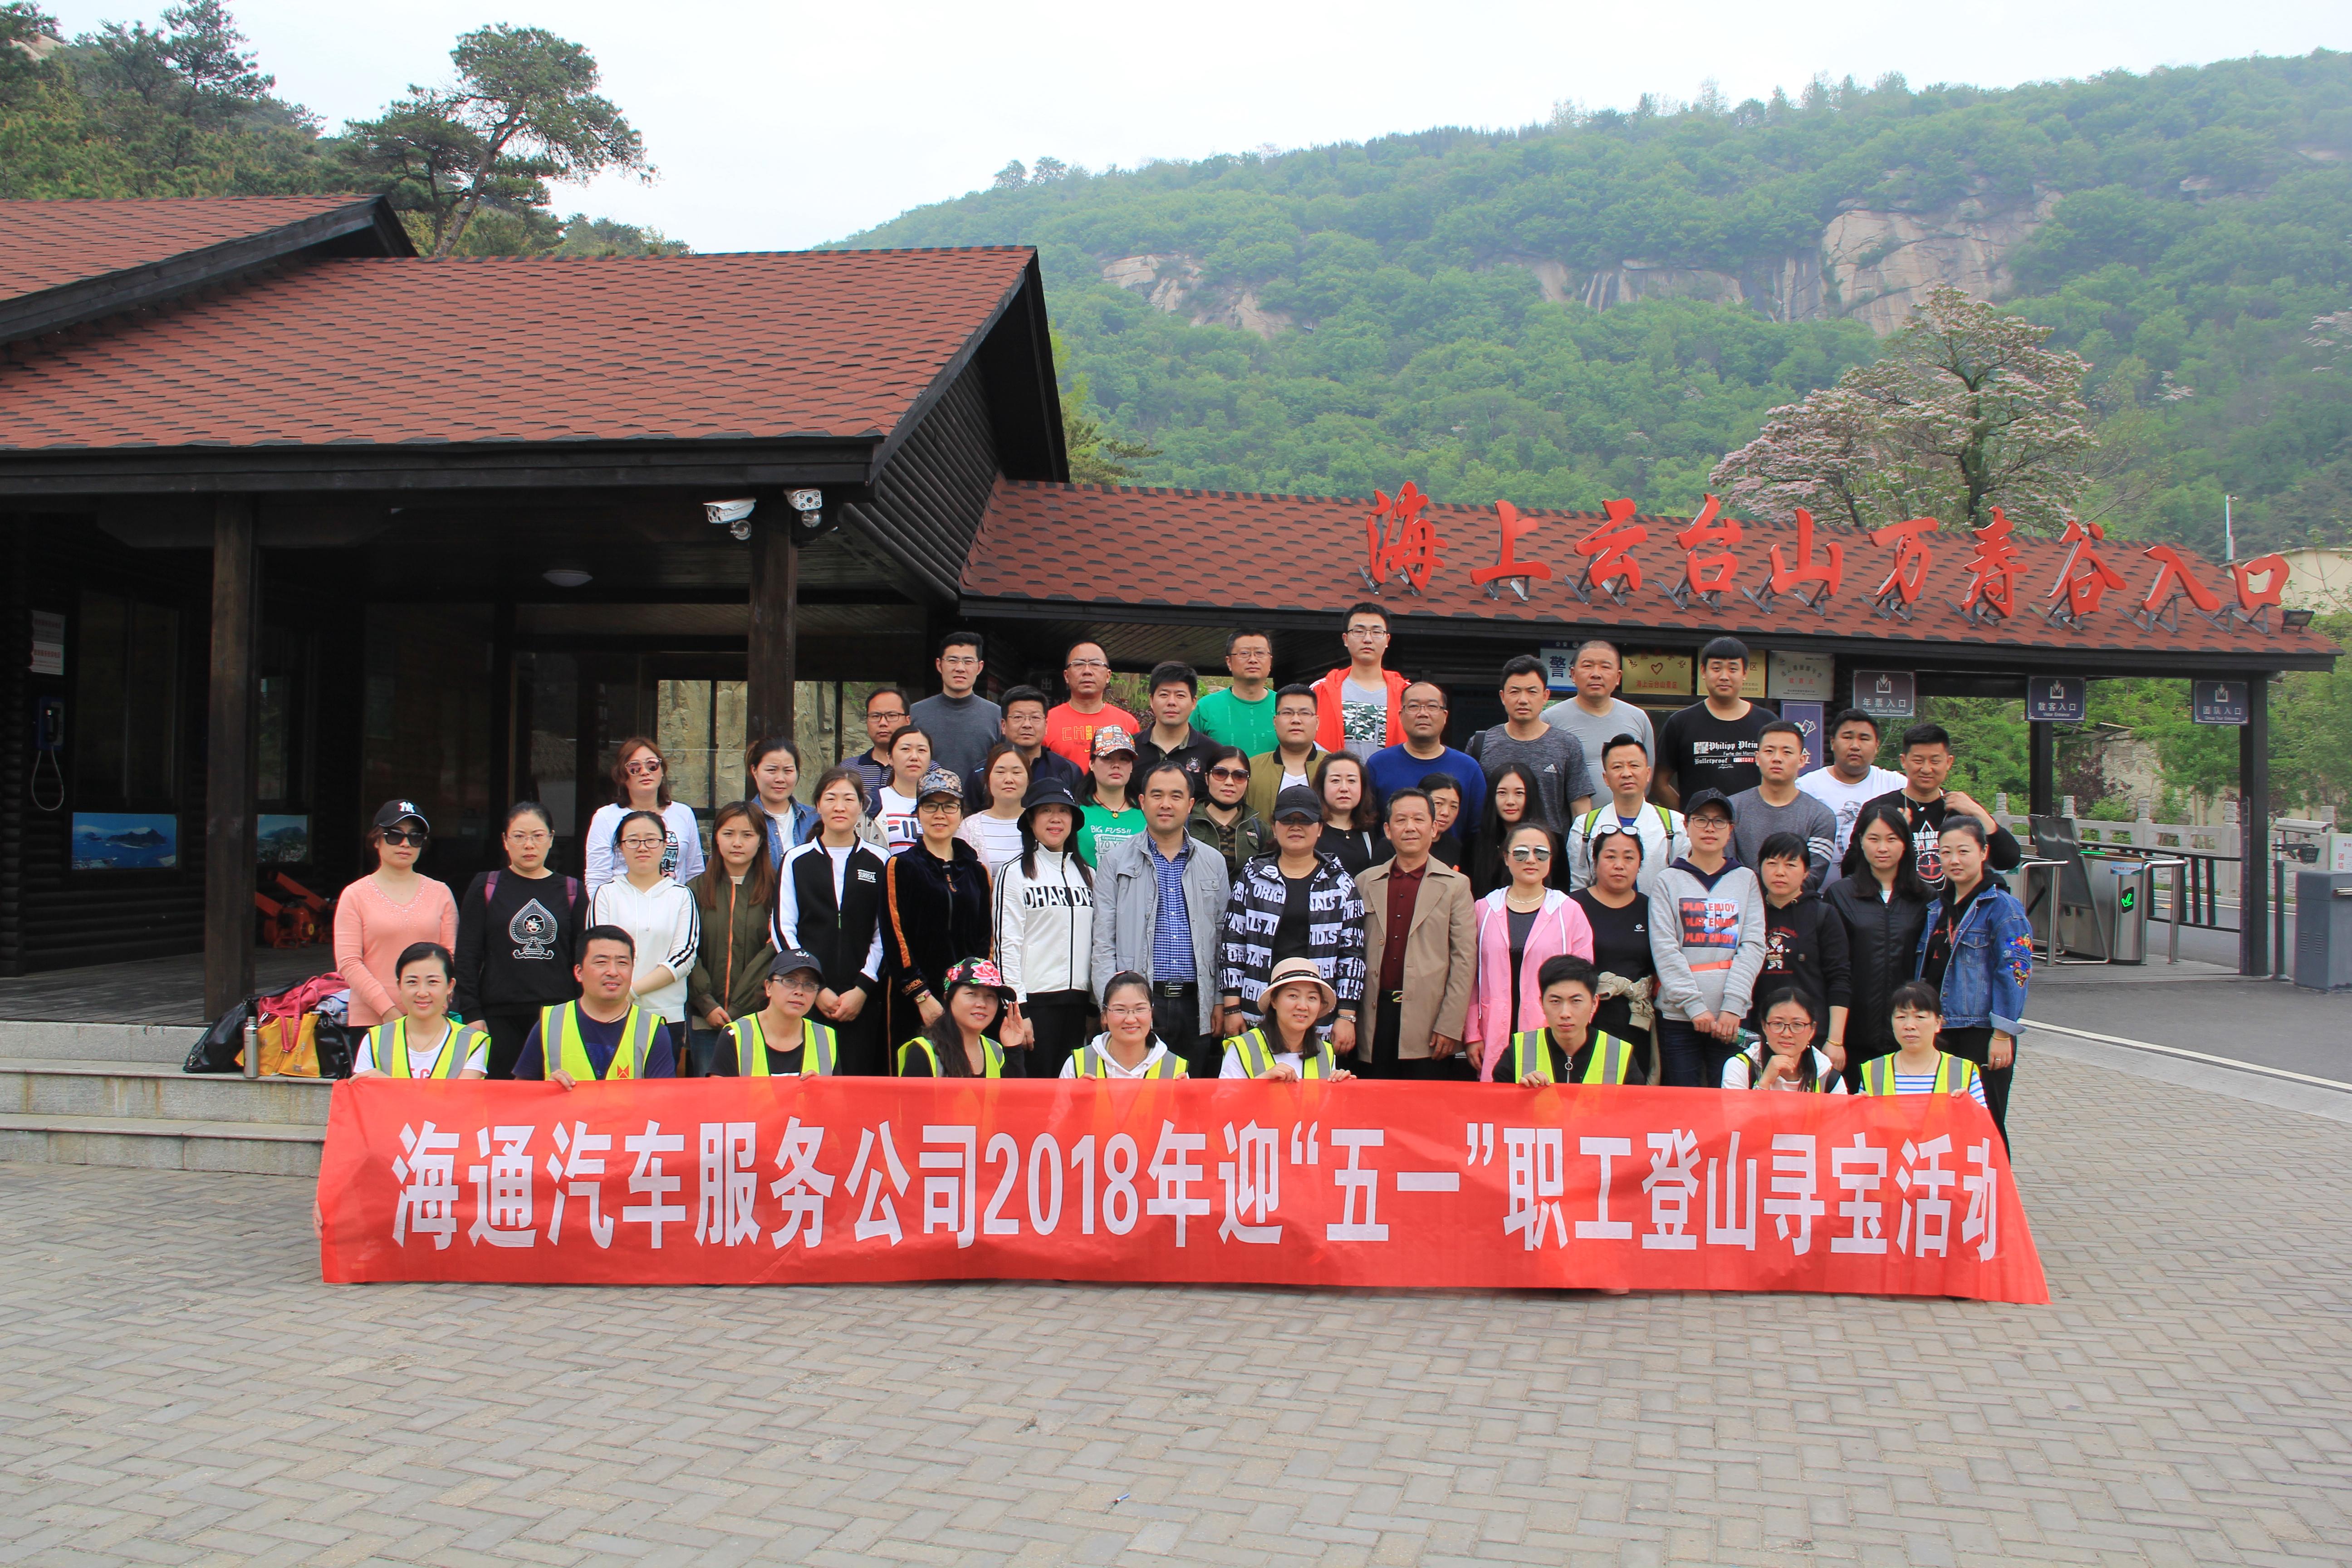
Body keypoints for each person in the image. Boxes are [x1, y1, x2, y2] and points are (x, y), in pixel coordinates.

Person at [1090, 760, 1231, 1076]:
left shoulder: (1213, 862)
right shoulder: (1116, 861)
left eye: (1176, 796)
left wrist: (1219, 1000)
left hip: (1196, 1003)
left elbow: (1223, 939)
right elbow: (1103, 941)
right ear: (1142, 802)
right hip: (1138, 1004)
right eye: (1157, 795)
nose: (1166, 804)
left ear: (1191, 804)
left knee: (1191, 1094)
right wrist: (1108, 1004)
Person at [1218, 786, 1367, 1044]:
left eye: (1305, 821)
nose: (1296, 827)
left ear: (1320, 829)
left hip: (1319, 1016)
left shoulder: (1341, 883)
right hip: (1258, 1010)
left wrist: (1347, 1015)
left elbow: (1352, 954)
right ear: (1274, 828)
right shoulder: (1253, 877)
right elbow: (1233, 943)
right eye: (1287, 820)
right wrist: (1232, 1007)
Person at [1916, 815, 2032, 1142]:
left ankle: (1997, 1179)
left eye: (1963, 851)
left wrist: (2003, 1032)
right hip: (1939, 1031)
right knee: (1943, 1128)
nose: (1954, 860)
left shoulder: (2003, 908)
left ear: (1983, 853)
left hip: (1980, 1031)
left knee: (1986, 1126)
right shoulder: (1936, 908)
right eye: (1946, 852)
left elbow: (2016, 971)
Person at [453, 802, 588, 1079]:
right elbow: (467, 955)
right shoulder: (486, 886)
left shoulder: (572, 890)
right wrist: (472, 1013)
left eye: (538, 836)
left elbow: (581, 959)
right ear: (505, 841)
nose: (529, 845)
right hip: (498, 1016)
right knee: (501, 1096)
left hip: (557, 1016)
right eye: (519, 836)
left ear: (551, 838)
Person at [1353, 788, 1476, 1079]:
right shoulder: (1365, 882)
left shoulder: (1456, 886)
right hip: (1373, 1016)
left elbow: (1464, 960)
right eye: (1401, 820)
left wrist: (1450, 1024)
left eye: (1419, 819)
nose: (1410, 827)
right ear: (1388, 830)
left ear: (1434, 829)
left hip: (1428, 1021)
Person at [1648, 789, 1766, 1088]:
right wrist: (1694, 1006)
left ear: (1731, 830)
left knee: (1729, 1100)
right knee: (1682, 1101)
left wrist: (1733, 1006)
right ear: (1686, 825)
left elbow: (1753, 946)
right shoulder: (1668, 880)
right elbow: (1664, 948)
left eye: (1719, 821)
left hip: (1731, 1018)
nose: (1710, 828)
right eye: (1701, 820)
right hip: (1678, 1016)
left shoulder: (1745, 879)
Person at [775, 767, 889, 1075]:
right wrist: (815, 986)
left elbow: (884, 933)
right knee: (810, 1082)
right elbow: (784, 929)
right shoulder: (796, 860)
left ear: (861, 806)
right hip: (807, 997)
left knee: (858, 1085)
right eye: (831, 798)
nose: (840, 807)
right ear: (817, 805)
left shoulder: (880, 860)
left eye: (849, 799)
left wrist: (863, 988)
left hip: (863, 1000)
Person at [1463, 822, 1595, 1080]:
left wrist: (1574, 1032)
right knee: (1495, 1098)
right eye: (1521, 852)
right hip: (1491, 1028)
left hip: (1551, 1029)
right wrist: (1472, 1034)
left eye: (1541, 853)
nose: (1531, 860)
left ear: (1551, 859)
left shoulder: (1569, 911)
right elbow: (1469, 978)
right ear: (1506, 857)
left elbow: (1583, 982)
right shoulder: (1483, 909)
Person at [882, 768, 993, 1058]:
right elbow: (895, 937)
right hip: (914, 998)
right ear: (918, 813)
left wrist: (974, 994)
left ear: (961, 812)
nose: (940, 815)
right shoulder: (901, 866)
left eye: (949, 806)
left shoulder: (977, 872)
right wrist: (920, 995)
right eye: (931, 806)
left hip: (966, 999)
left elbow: (985, 940)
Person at [1825, 799, 1932, 1091]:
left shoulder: (1925, 898)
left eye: (1892, 839)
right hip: (1853, 1033)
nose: (1882, 848)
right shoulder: (1840, 895)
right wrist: (1835, 1037)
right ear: (1860, 841)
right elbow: (1834, 966)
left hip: (1908, 1034)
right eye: (1874, 839)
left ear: (1905, 844)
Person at [992, 779, 1095, 1080]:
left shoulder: (1089, 875)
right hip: (1035, 1006)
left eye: (1064, 811)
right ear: (1031, 820)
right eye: (1046, 811)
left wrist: (1093, 1008)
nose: (1056, 819)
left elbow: (1098, 943)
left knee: (1073, 1095)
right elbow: (1006, 946)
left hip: (1079, 1008)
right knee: (1036, 1095)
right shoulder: (1014, 873)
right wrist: (1018, 1011)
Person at [333, 799, 459, 1031]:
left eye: (415, 837)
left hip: (430, 1017)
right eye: (394, 835)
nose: (405, 844)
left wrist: (436, 1006)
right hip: (372, 1019)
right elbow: (349, 962)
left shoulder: (441, 893)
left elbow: (448, 956)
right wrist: (388, 1011)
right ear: (376, 840)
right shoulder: (355, 895)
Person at [589, 808, 701, 1063]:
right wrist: (620, 996)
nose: (642, 848)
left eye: (651, 840)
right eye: (633, 841)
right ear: (620, 847)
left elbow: (684, 957)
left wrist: (631, 992)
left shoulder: (681, 895)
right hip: (611, 1013)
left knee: (660, 1086)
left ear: (664, 846)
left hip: (666, 1015)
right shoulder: (606, 894)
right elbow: (598, 954)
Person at [1863, 721, 2024, 897]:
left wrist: (1979, 813)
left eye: (1935, 761)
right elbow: (1853, 866)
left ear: (1949, 762)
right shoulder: (1881, 809)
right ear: (1904, 761)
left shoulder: (1964, 808)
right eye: (1918, 761)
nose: (1926, 769)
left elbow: (2008, 860)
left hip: (1955, 907)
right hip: (1901, 907)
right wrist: (1892, 832)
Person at [512, 925, 676, 1083]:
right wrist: (547, 1089)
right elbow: (522, 1091)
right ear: (579, 972)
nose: (613, 972)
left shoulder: (652, 1030)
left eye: (622, 963)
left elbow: (662, 1097)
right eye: (601, 962)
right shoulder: (551, 1023)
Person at [685, 801, 779, 1076]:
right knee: (710, 1095)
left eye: (747, 835)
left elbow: (773, 951)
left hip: (758, 1016)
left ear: (761, 840)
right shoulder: (695, 889)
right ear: (716, 838)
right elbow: (686, 950)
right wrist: (706, 1003)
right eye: (728, 834)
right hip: (705, 1018)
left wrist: (740, 1007)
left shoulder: (777, 889)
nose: (737, 843)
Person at [1745, 831, 1851, 1069]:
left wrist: (1835, 1040)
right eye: (1772, 863)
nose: (1780, 872)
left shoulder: (1823, 915)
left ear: (1806, 872)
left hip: (1811, 1036)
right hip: (1758, 1036)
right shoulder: (1750, 911)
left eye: (1790, 865)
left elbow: (1840, 979)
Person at [1569, 824, 1660, 1079]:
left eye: (1629, 858)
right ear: (1595, 861)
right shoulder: (1572, 906)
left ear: (1640, 865)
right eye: (1611, 857)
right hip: (1587, 1020)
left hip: (1636, 1021)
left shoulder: (1651, 908)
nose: (1620, 865)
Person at [1468, 655, 1593, 834]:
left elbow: (1580, 809)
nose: (1523, 700)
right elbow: (1471, 805)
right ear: (1503, 697)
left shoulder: (1567, 745)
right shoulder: (1480, 744)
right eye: (1515, 692)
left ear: (1545, 696)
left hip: (1550, 849)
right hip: (1493, 848)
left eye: (1532, 692)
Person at [1489, 954, 1641, 1085]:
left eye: (1576, 1001)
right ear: (1542, 1003)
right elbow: (1499, 1107)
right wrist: (1520, 1094)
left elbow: (1636, 1107)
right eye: (1555, 1001)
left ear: (1594, 1003)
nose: (1565, 1013)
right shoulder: (1518, 1051)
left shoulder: (1620, 1054)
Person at [1655, 637, 1772, 805]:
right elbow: (1659, 782)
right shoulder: (1680, 723)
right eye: (1716, 668)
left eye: (1733, 669)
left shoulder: (1767, 722)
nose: (1724, 676)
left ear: (1745, 673)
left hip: (1754, 821)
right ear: (1703, 671)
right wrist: (1686, 815)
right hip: (1701, 822)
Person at [1566, 735, 1686, 895]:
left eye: (1634, 766)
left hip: (1658, 909)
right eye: (1617, 767)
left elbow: (1682, 885)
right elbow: (1579, 885)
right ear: (1606, 778)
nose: (1627, 773)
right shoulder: (1585, 826)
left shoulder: (1675, 824)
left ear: (1648, 774)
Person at [350, 942, 489, 1079]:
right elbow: (362, 1091)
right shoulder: (374, 1039)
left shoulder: (472, 1042)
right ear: (400, 986)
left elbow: (461, 1094)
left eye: (433, 982)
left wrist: (387, 1084)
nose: (422, 993)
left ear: (450, 986)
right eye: (412, 982)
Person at [583, 737, 704, 892]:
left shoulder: (683, 813)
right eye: (635, 768)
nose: (645, 772)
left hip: (674, 903)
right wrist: (601, 906)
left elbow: (695, 872)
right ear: (622, 775)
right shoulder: (605, 817)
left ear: (662, 771)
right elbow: (597, 877)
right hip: (622, 904)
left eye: (652, 766)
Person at [1731, 720, 1839, 891]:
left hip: (1797, 904)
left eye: (1787, 752)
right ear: (1757, 758)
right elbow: (1726, 867)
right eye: (1769, 751)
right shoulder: (1732, 808)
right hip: (1742, 901)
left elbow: (1813, 876)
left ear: (1802, 760)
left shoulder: (1821, 816)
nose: (1777, 758)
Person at [1366, 680, 1484, 835]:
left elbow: (1478, 830)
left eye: (1432, 706)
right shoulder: (1378, 765)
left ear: (1445, 716)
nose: (1423, 713)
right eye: (1414, 706)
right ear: (1401, 716)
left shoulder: (1468, 768)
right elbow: (1367, 825)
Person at [1219, 957, 1358, 1080]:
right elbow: (1224, 1100)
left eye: (1312, 998)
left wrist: (1340, 1090)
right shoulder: (1242, 1047)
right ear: (1274, 1001)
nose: (1303, 1006)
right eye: (1293, 996)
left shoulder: (1326, 1052)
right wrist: (1261, 1082)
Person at [1542, 639, 1656, 788]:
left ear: (1618, 677)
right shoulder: (1549, 719)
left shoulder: (1638, 717)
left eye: (1605, 667)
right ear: (1573, 674)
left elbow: (1648, 777)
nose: (1596, 674)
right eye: (1588, 666)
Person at [1798, 708, 1908, 859]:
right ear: (1833, 743)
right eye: (1848, 737)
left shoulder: (1897, 785)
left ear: (1877, 746)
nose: (1855, 746)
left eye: (1864, 739)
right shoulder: (1806, 787)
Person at [1855, 980, 1989, 1103]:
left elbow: (1982, 1121)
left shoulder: (1963, 1072)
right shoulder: (1873, 1071)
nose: (1909, 1025)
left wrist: (1969, 1107)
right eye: (1901, 1017)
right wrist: (1858, 1108)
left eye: (1920, 1017)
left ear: (1938, 1023)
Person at [717, 949, 841, 1076]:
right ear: (769, 987)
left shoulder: (825, 1038)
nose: (799, 991)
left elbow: (838, 1089)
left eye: (809, 985)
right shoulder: (736, 1034)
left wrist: (821, 1087)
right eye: (790, 981)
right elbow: (718, 1088)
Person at [897, 956, 1021, 1077]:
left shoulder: (996, 1051)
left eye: (990, 996)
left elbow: (1014, 1091)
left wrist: (1014, 1049)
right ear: (948, 998)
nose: (982, 1004)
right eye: (971, 993)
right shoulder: (923, 1052)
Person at [1313, 601, 1408, 752]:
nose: (1368, 639)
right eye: (1359, 631)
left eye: (1376, 632)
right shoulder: (1320, 690)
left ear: (1387, 640)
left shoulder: (1407, 694)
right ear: (1345, 639)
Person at [965, 683, 1082, 804]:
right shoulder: (982, 772)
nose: (1027, 725)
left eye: (1035, 718)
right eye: (1018, 717)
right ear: (1004, 726)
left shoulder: (1066, 770)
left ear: (1046, 726)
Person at [909, 629, 1002, 780]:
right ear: (939, 665)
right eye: (952, 660)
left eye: (968, 661)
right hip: (925, 795)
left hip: (980, 797)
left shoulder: (997, 715)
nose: (960, 668)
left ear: (980, 667)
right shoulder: (916, 713)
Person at [1063, 971, 1190, 1078]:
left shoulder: (1175, 1069)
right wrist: (1077, 1097)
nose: (1130, 1019)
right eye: (1120, 1010)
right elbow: (1060, 1102)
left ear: (1152, 1013)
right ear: (1104, 1015)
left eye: (1140, 1009)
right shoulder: (1077, 1065)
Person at [1723, 988, 1847, 1093]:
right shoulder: (1740, 1066)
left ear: (1812, 1030)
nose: (1787, 1034)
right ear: (1764, 1026)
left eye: (1797, 1025)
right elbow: (1735, 1114)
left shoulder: (1827, 1075)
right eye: (1778, 1024)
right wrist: (1764, 1083)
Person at [1469, 763, 1562, 897]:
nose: (1510, 801)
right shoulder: (1474, 843)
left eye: (1519, 793)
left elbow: (1562, 891)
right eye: (1502, 793)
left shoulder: (1553, 841)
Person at [1045, 640, 1138, 767]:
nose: (1087, 671)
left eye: (1095, 664)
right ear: (1066, 676)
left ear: (1108, 676)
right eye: (1079, 664)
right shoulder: (1047, 722)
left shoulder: (1128, 723)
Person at [1134, 661, 1221, 794]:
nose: (1172, 702)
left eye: (1180, 696)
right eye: (1164, 695)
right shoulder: (1131, 749)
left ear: (1194, 703)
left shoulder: (1214, 753)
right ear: (1151, 700)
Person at [1245, 684, 1327, 821]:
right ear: (1275, 721)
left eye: (1305, 713)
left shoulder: (1334, 768)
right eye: (1287, 713)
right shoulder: (1251, 769)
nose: (1296, 720)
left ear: (1317, 722)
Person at [1193, 628, 1278, 755]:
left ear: (1270, 661)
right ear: (1229, 662)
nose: (1253, 660)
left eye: (1260, 653)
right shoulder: (1206, 707)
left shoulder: (1285, 706)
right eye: (1244, 653)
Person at [1187, 746, 1268, 878]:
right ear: (1207, 778)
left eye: (1240, 776)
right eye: (1220, 773)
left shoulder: (1260, 830)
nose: (1229, 782)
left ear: (1247, 782)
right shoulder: (1185, 826)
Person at [955, 741, 1031, 870]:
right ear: (988, 780)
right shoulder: (969, 827)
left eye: (1017, 773)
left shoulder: (1038, 823)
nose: (1009, 779)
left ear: (1028, 780)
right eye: (1000, 772)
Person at [746, 735, 818, 866]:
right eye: (772, 770)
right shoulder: (741, 820)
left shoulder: (815, 819)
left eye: (788, 771)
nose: (780, 779)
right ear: (755, 770)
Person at [1314, 750, 1388, 877]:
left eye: (1352, 781)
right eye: (1336, 781)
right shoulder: (1312, 829)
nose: (1344, 788)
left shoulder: (1368, 830)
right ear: (1322, 786)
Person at [1077, 725, 1145, 862]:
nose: (1116, 765)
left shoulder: (1147, 812)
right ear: (1092, 764)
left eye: (1124, 759)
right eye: (1107, 758)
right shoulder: (1075, 811)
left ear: (1132, 766)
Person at [872, 725, 934, 856]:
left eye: (922, 750)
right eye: (906, 749)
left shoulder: (943, 803)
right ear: (890, 758)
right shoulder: (871, 803)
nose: (914, 757)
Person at [841, 687, 910, 800]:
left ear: (908, 721)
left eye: (892, 716)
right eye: (875, 716)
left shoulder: (925, 769)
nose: (883, 723)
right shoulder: (848, 769)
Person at [1422, 773, 1466, 867]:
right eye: (1439, 803)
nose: (1446, 813)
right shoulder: (1398, 844)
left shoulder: (1456, 849)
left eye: (1454, 806)